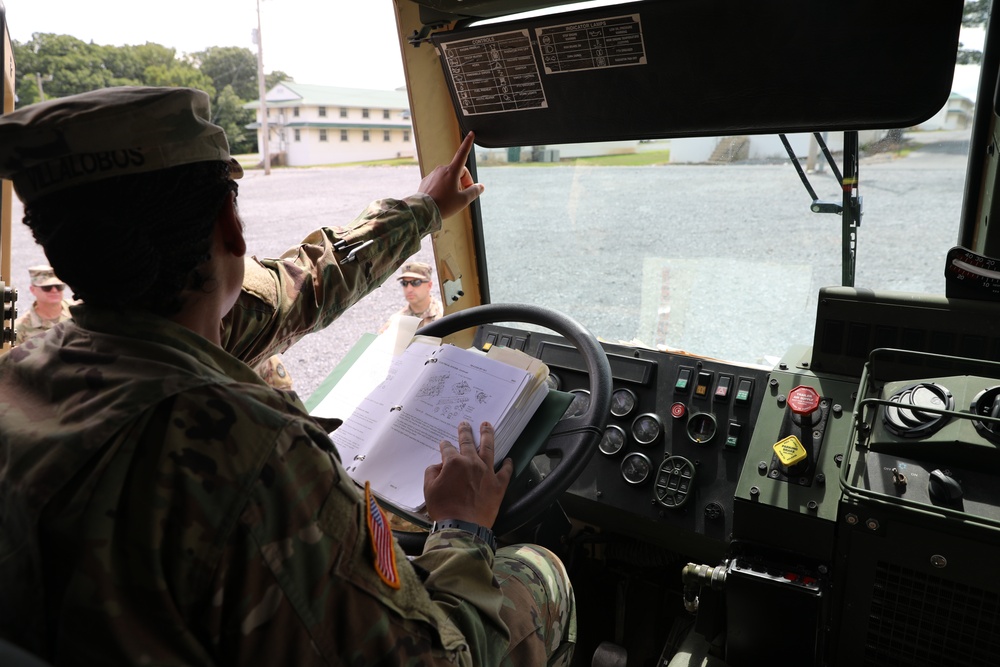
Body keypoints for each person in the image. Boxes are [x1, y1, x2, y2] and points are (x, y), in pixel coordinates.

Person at [0, 87, 575, 666]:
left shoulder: (22, 373)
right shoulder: (253, 454)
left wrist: (424, 207)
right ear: (230, 223)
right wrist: (462, 528)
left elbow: (295, 292)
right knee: (538, 569)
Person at [13, 264, 73, 345]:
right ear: (33, 290)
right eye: (47, 287)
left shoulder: (79, 312)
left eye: (59, 286)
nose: (54, 290)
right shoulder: (19, 328)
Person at [379, 261, 444, 333]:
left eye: (416, 282)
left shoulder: (444, 314)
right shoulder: (396, 321)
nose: (409, 289)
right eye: (404, 283)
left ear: (429, 285)